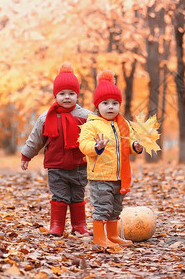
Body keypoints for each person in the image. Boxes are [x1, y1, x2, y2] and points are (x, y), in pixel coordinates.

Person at [20, 62, 92, 237]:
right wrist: (26, 155)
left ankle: (79, 226)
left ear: (77, 95)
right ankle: (57, 225)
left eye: (71, 94)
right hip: (56, 166)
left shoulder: (87, 117)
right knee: (59, 196)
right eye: (62, 94)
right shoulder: (47, 117)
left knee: (77, 196)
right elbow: (36, 138)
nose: (67, 97)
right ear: (55, 95)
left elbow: (97, 137)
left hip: (79, 166)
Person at [78, 70, 143, 248]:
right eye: (105, 103)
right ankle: (99, 238)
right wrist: (96, 147)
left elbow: (127, 144)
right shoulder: (91, 125)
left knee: (115, 209)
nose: (110, 107)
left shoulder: (123, 124)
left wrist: (135, 147)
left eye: (115, 103)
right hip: (100, 176)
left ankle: (113, 236)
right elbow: (83, 145)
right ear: (97, 106)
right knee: (103, 208)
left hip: (119, 176)